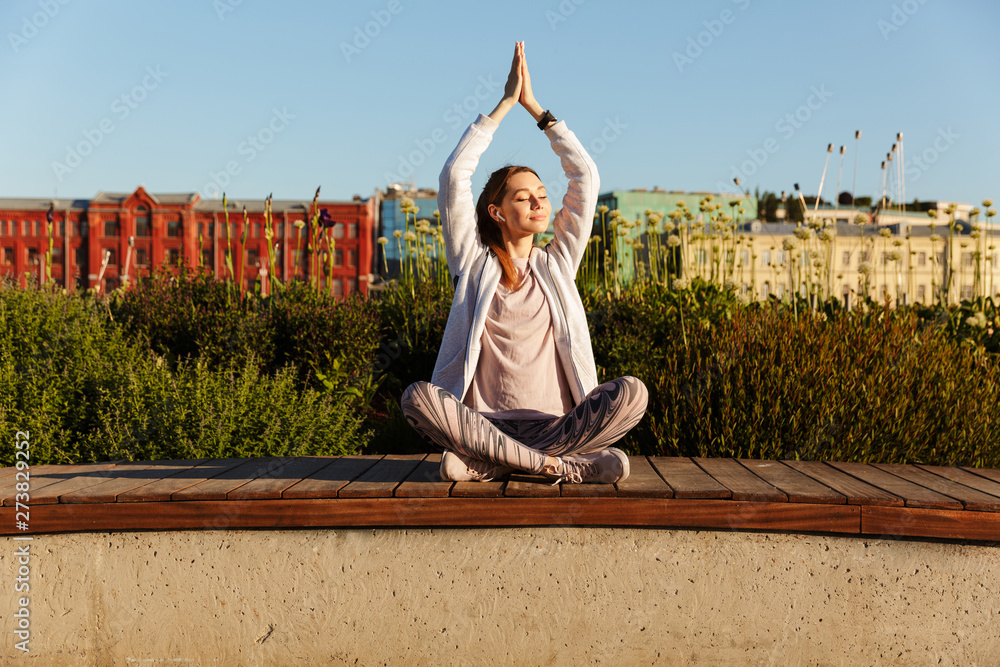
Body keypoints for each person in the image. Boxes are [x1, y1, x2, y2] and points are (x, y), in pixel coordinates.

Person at [401, 42, 647, 484]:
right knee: (419, 398)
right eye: (522, 197)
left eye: (542, 196)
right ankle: (551, 468)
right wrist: (504, 105)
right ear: (497, 212)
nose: (538, 203)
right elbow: (454, 177)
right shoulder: (473, 264)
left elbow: (585, 179)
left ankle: (498, 463)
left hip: (557, 427)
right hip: (483, 425)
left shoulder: (557, 265)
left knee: (632, 393)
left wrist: (538, 112)